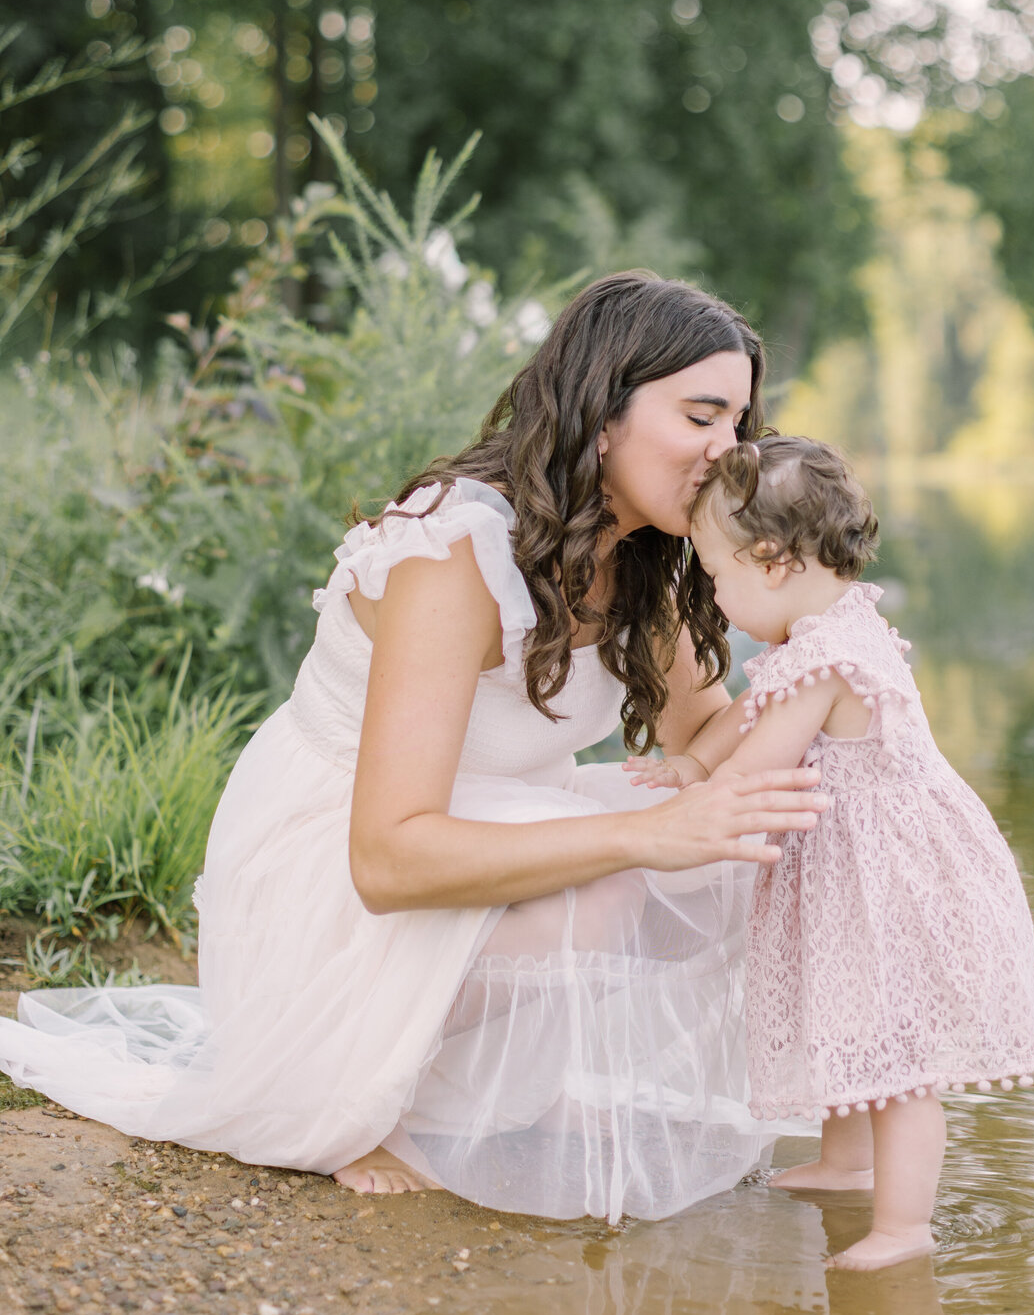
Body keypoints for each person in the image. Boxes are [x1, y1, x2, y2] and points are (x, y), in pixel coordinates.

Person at [0, 274, 827, 1224]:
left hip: (493, 836)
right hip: (339, 876)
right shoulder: (457, 550)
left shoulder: (647, 559)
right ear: (604, 415)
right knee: (618, 883)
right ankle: (370, 1088)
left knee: (751, 849)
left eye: (741, 426)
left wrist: (822, 661)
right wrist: (649, 836)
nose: (731, 455)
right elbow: (389, 858)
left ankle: (473, 1076)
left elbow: (710, 746)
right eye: (701, 417)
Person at [624, 436, 1034, 1268]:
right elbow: (753, 714)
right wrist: (690, 762)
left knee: (897, 1059)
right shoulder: (837, 624)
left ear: (773, 559)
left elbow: (762, 758)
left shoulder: (826, 656)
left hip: (893, 880)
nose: (713, 595)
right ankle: (847, 1164)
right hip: (865, 869)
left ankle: (903, 1228)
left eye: (715, 575)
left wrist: (694, 805)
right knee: (849, 1019)